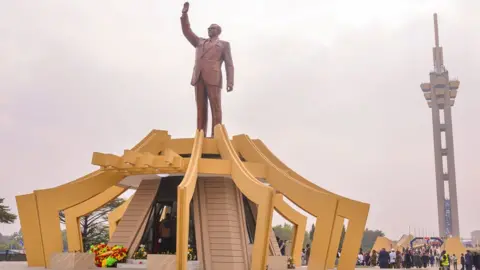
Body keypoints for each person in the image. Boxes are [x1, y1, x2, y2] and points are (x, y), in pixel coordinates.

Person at [180, 1, 235, 137]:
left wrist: (230, 81)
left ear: (218, 31)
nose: (210, 30)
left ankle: (216, 135)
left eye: (213, 28)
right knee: (200, 107)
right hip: (198, 76)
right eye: (209, 28)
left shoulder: (224, 45)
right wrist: (184, 15)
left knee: (215, 107)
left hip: (213, 77)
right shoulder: (199, 42)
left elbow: (229, 64)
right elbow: (187, 31)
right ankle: (200, 134)